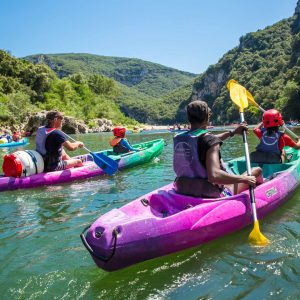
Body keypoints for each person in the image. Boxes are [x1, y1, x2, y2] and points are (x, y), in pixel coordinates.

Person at [173, 100, 263, 198]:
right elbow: (214, 176)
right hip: (208, 192)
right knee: (257, 170)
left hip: (181, 188)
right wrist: (243, 179)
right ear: (207, 116)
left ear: (188, 117)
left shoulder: (180, 137)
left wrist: (232, 132)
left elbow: (208, 141)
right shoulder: (208, 140)